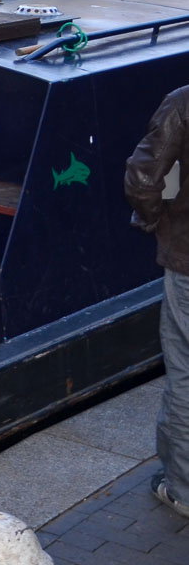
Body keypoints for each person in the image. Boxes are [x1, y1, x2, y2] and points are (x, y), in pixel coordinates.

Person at [125, 86, 189, 518]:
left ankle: (182, 488)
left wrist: (150, 218)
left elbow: (145, 178)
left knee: (185, 374)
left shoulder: (183, 103)